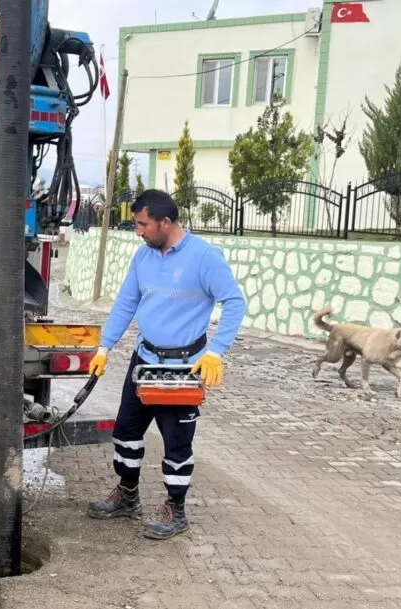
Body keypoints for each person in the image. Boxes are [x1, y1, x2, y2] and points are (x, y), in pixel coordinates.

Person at [86, 189, 246, 540]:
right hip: (143, 360)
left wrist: (216, 351)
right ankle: (128, 495)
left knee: (176, 443)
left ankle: (176, 509)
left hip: (184, 368)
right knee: (126, 433)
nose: (138, 231)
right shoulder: (143, 258)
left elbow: (234, 302)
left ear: (166, 222)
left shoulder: (205, 258)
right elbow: (126, 303)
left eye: (143, 224)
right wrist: (104, 347)